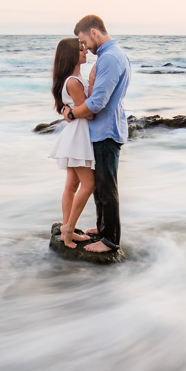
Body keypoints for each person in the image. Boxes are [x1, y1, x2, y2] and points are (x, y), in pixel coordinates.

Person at [60, 15, 131, 253]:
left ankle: (110, 240)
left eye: (84, 41)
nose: (85, 48)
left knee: (106, 187)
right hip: (102, 129)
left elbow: (97, 103)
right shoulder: (109, 56)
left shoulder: (110, 57)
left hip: (106, 130)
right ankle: (102, 228)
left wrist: (71, 114)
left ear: (94, 32)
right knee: (99, 185)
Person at [48, 38, 96, 248]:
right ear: (70, 55)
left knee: (72, 185)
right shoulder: (74, 82)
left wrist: (70, 113)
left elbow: (70, 111)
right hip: (80, 136)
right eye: (80, 49)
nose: (85, 52)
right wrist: (93, 84)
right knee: (89, 185)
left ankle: (68, 226)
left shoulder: (73, 79)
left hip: (75, 134)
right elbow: (89, 112)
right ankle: (68, 230)